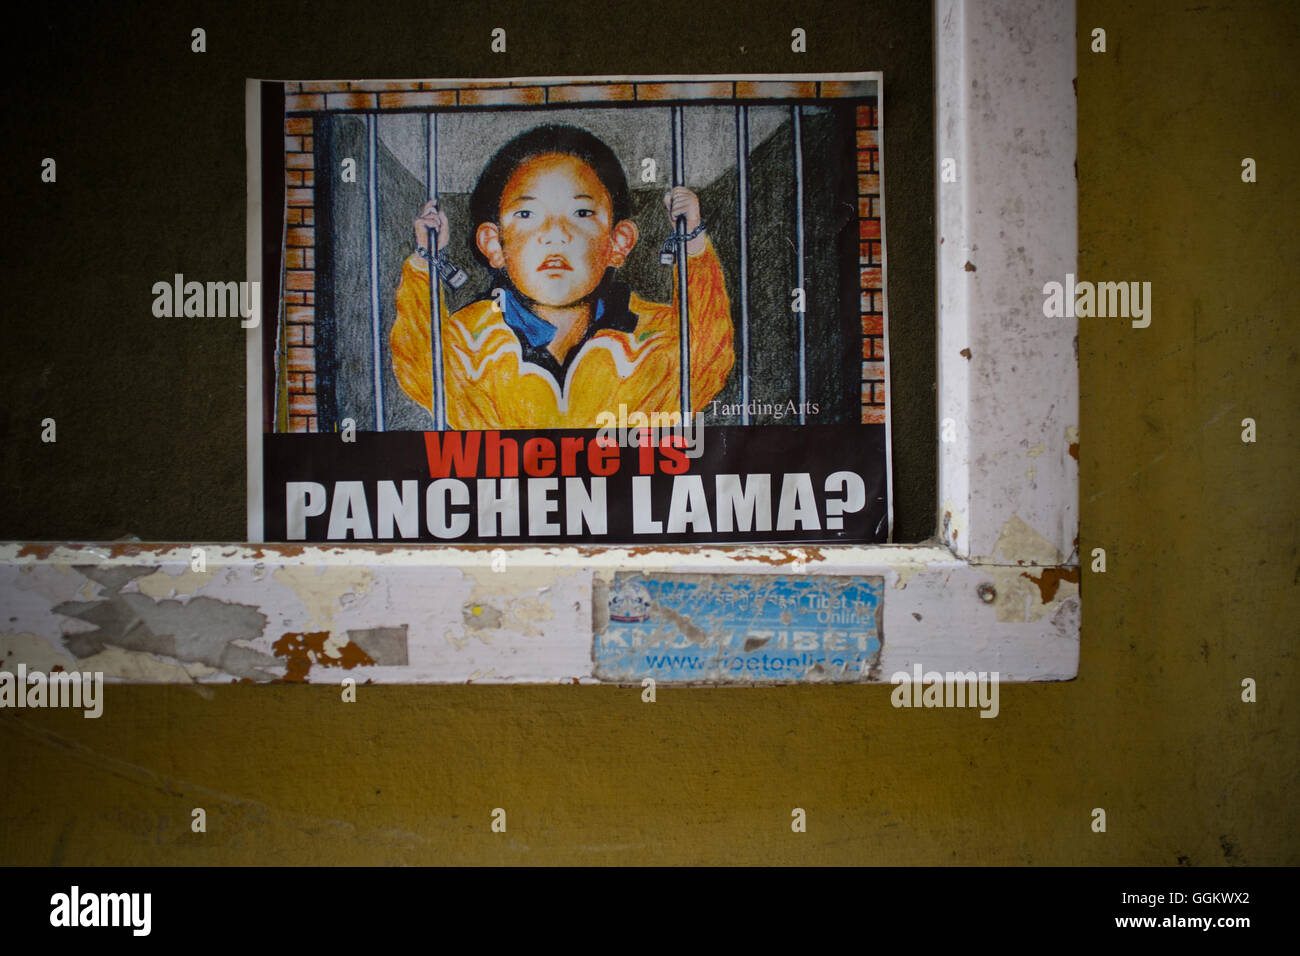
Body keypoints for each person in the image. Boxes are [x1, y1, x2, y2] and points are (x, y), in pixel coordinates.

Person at [390, 124, 733, 429]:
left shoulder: (652, 336)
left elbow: (706, 356)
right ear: (494, 244)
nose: (555, 234)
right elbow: (419, 363)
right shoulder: (469, 339)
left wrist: (693, 246)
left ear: (618, 241)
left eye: (581, 213)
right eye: (527, 213)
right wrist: (425, 260)